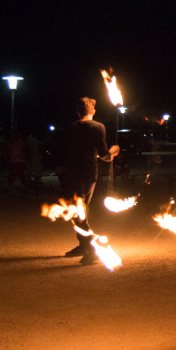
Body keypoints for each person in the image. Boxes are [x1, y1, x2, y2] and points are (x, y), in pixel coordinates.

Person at [61, 97, 119, 265]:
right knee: (81, 210)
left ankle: (92, 248)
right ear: (93, 111)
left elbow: (68, 151)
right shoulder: (99, 127)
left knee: (78, 212)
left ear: (78, 112)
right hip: (90, 174)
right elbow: (103, 154)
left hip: (74, 174)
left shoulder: (71, 128)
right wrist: (113, 152)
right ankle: (84, 244)